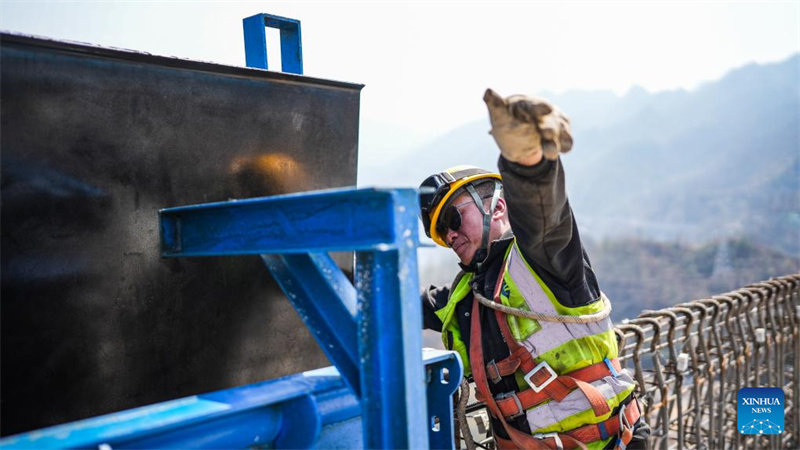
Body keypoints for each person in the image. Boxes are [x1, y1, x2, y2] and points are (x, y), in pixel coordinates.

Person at [419, 89, 650, 450]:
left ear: (497, 208)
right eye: (442, 234)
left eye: (452, 217)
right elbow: (398, 301)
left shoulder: (545, 258)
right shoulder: (468, 295)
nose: (449, 234)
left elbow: (544, 214)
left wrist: (526, 162)